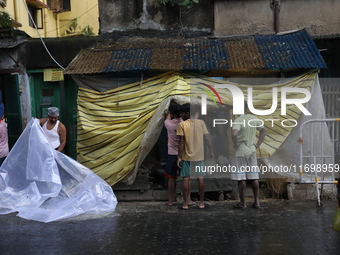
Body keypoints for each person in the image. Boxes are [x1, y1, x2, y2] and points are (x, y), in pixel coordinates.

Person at [177, 103, 214, 210]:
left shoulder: (182, 125)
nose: (181, 115)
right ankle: (201, 203)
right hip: (199, 156)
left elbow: (181, 142)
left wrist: (179, 157)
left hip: (186, 157)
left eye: (182, 113)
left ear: (187, 113)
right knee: (200, 179)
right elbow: (207, 138)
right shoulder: (201, 123)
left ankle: (185, 204)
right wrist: (211, 151)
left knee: (186, 179)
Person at [231, 101, 266, 209]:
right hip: (252, 150)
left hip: (241, 151)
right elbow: (263, 130)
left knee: (241, 178)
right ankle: (257, 202)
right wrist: (258, 144)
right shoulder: (254, 118)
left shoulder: (238, 120)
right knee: (254, 177)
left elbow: (234, 133)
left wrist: (235, 143)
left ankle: (243, 203)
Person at [164, 103, 182, 206]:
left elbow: (168, 116)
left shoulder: (168, 124)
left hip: (172, 154)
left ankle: (170, 200)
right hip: (183, 154)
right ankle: (186, 199)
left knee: (171, 178)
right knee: (185, 177)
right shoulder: (184, 123)